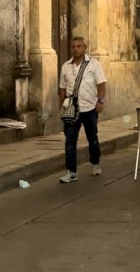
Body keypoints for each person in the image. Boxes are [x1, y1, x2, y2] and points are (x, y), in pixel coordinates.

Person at [58, 36, 106, 183]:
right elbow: (62, 87)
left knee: (92, 138)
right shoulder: (66, 66)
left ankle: (95, 162)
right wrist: (63, 104)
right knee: (70, 140)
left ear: (84, 48)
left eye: (79, 46)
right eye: (73, 46)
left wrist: (100, 101)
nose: (76, 49)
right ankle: (71, 172)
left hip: (89, 107)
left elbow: (101, 83)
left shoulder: (94, 64)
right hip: (72, 109)